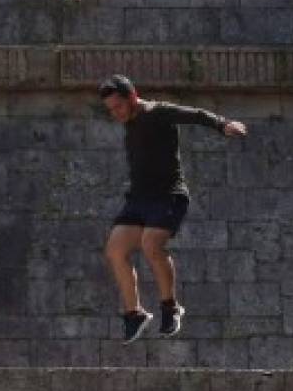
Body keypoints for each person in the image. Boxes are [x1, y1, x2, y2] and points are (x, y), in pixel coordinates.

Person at [99, 74, 248, 344]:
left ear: (133, 97)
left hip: (169, 196)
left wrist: (222, 124)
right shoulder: (129, 121)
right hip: (139, 199)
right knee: (115, 249)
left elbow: (195, 114)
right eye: (111, 110)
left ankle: (170, 307)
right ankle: (135, 314)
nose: (116, 114)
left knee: (151, 244)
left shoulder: (158, 112)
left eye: (119, 106)